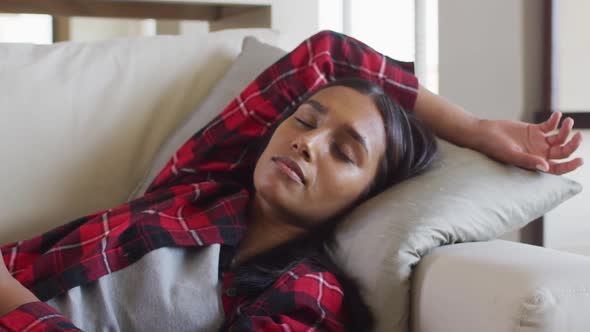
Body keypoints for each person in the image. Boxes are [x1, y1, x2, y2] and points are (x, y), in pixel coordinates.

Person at [0, 30, 584, 332]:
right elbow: (326, 56)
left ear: (366, 198)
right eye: (304, 121)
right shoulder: (194, 192)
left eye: (345, 152)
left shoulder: (306, 293)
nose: (306, 141)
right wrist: (476, 127)